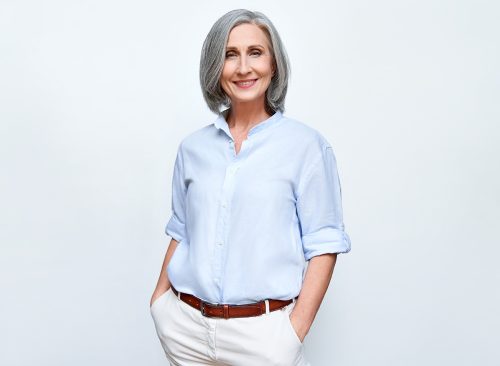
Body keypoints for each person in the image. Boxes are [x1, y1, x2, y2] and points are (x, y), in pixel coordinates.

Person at [149, 8, 351, 366]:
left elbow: (324, 243)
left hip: (263, 339)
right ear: (216, 67)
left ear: (274, 65)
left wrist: (291, 335)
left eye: (255, 53)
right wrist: (159, 303)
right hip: (186, 330)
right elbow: (181, 229)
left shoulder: (306, 148)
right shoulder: (192, 149)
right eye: (230, 55)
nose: (243, 68)